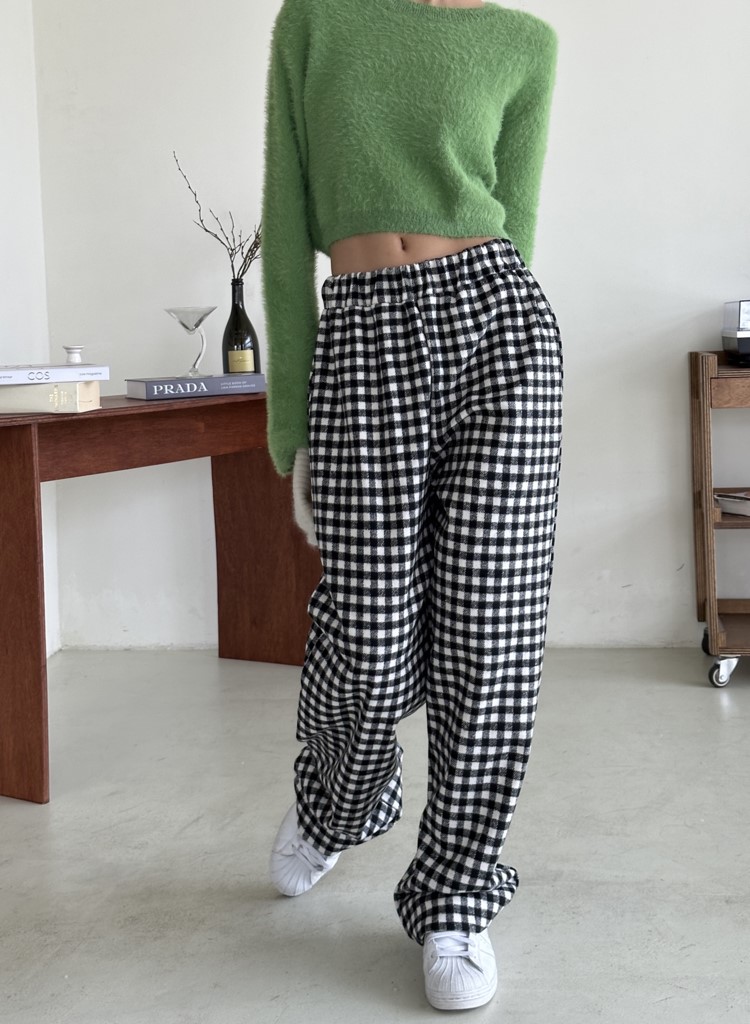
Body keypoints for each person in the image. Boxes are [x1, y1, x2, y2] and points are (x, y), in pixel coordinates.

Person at [260, 0, 562, 1011]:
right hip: (362, 334)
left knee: (491, 634)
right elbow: (286, 226)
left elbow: (517, 218)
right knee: (371, 635)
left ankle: (456, 896)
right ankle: (338, 804)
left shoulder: (525, 44)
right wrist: (292, 420)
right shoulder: (317, 20)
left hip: (500, 328)